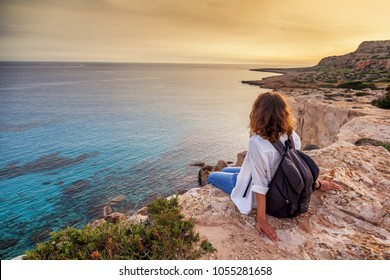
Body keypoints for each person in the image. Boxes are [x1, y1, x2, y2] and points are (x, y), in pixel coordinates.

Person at [207, 91, 341, 242]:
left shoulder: (257, 142)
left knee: (212, 176)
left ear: (258, 114)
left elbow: (260, 184)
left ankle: (231, 181)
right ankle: (232, 175)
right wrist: (318, 184)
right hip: (280, 182)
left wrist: (262, 219)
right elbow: (295, 167)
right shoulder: (292, 136)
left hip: (269, 192)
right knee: (226, 169)